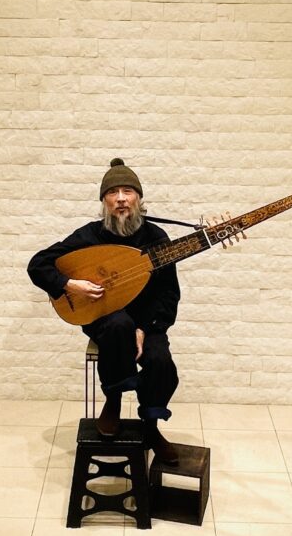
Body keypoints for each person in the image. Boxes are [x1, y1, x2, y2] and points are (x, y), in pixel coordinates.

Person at [27, 158, 181, 464]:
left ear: (138, 199)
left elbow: (169, 293)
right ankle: (113, 398)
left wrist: (145, 327)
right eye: (113, 192)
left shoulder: (156, 238)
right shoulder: (90, 236)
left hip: (147, 321)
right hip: (103, 318)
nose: (121, 198)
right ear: (104, 201)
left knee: (160, 361)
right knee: (117, 325)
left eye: (128, 191)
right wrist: (71, 284)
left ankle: (151, 426)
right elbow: (38, 264)